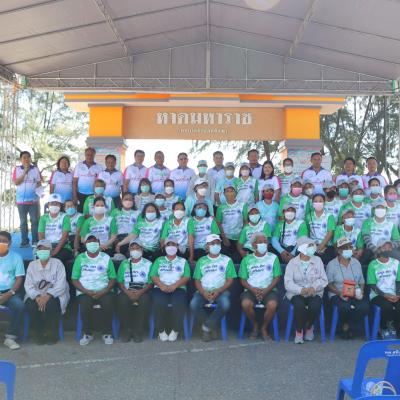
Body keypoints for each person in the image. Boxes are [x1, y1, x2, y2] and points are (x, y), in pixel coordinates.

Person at [72, 234, 117, 345]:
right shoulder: (80, 258)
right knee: (85, 305)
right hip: (85, 291)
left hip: (104, 290)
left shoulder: (106, 257)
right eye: (89, 241)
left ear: (99, 242)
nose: (92, 243)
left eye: (94, 241)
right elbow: (74, 279)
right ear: (85, 244)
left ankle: (107, 333)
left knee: (108, 303)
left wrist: (104, 291)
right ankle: (87, 333)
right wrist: (86, 291)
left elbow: (113, 278)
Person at [190, 234, 236, 341]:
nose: (215, 245)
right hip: (203, 291)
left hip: (221, 291)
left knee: (225, 304)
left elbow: (230, 280)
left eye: (217, 243)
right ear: (207, 246)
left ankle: (206, 327)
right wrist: (203, 292)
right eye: (212, 243)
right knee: (193, 304)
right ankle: (212, 326)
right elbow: (197, 280)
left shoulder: (227, 260)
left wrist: (218, 291)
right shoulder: (201, 261)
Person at [24, 239, 70, 344]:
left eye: (45, 249)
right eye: (40, 249)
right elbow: (28, 285)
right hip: (37, 294)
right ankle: (38, 333)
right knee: (31, 305)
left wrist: (48, 296)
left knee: (51, 304)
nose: (42, 251)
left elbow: (61, 284)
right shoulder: (32, 265)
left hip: (55, 294)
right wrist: (37, 297)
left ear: (50, 251)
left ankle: (52, 334)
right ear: (37, 251)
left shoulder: (58, 263)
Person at [284, 237, 328, 344]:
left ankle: (309, 327)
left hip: (314, 292)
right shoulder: (292, 263)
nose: (313, 248)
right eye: (310, 246)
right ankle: (299, 331)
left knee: (315, 306)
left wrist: (314, 287)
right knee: (299, 305)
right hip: (296, 293)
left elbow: (324, 280)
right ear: (302, 248)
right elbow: (288, 283)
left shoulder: (318, 261)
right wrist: (301, 290)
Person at [239, 232, 281, 340]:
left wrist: (266, 290)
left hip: (269, 289)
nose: (263, 244)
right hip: (251, 290)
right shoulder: (246, 259)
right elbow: (243, 280)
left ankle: (263, 328)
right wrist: (253, 289)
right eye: (260, 242)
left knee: (272, 305)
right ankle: (255, 325)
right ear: (254, 245)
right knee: (246, 304)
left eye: (265, 242)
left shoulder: (273, 258)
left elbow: (277, 277)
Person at [326, 237, 368, 339]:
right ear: (339, 251)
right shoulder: (332, 264)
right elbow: (328, 284)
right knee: (344, 307)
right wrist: (339, 293)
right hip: (338, 293)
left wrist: (361, 291)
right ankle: (345, 326)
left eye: (350, 247)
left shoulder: (356, 263)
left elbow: (362, 281)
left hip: (355, 292)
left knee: (364, 307)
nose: (350, 249)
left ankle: (347, 325)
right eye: (346, 248)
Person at [150, 237, 190, 341]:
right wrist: (161, 285)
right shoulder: (159, 260)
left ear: (177, 247)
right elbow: (153, 275)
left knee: (179, 303)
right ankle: (161, 330)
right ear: (164, 247)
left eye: (173, 244)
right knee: (159, 303)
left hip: (178, 288)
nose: (171, 247)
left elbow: (186, 276)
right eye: (168, 245)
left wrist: (174, 286)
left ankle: (175, 330)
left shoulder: (183, 261)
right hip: (160, 288)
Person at [116, 239, 153, 342]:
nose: (135, 250)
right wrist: (128, 292)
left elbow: (151, 282)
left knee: (144, 301)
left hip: (143, 291)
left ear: (142, 250)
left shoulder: (148, 264)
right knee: (121, 301)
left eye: (137, 248)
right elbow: (120, 281)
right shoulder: (124, 263)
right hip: (127, 290)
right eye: (132, 248)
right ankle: (127, 330)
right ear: (129, 250)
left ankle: (138, 331)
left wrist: (140, 292)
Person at [367, 239, 400, 339]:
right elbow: (372, 285)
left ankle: (395, 328)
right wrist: (385, 295)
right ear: (379, 249)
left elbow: (398, 281)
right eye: (384, 248)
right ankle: (384, 327)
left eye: (389, 247)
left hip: (394, 294)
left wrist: (398, 294)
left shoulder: (396, 263)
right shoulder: (373, 264)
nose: (387, 250)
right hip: (377, 295)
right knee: (387, 307)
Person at [0, 231, 25, 350]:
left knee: (19, 306)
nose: (1, 243)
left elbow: (19, 278)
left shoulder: (16, 257)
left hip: (10, 292)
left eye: (4, 241)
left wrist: (9, 293)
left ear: (9, 243)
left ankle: (10, 337)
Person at [12, 150, 42, 247]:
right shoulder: (17, 169)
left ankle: (35, 241)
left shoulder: (35, 169)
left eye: (28, 157)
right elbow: (16, 182)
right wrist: (24, 171)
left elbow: (38, 183)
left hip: (34, 201)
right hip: (21, 201)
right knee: (23, 222)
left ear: (30, 158)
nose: (26, 159)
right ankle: (24, 241)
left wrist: (40, 194)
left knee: (35, 221)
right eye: (24, 157)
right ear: (21, 159)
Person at [361, 198, 400, 264]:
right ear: (373, 210)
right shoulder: (367, 222)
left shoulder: (391, 224)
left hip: (387, 251)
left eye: (382, 208)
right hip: (371, 250)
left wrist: (390, 246)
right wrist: (375, 249)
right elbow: (366, 238)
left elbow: (398, 241)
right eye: (378, 207)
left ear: (386, 210)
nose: (380, 209)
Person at [216, 184, 248, 262]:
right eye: (227, 191)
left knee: (237, 260)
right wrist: (224, 238)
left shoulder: (242, 205)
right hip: (225, 238)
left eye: (231, 191)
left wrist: (241, 238)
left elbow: (245, 222)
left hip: (239, 238)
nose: (229, 193)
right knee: (223, 260)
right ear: (224, 194)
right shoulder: (221, 207)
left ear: (235, 193)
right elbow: (218, 224)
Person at [38, 193, 72, 264]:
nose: (54, 206)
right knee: (39, 257)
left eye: (57, 204)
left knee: (57, 258)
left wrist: (55, 251)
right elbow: (41, 235)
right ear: (48, 205)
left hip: (62, 246)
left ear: (60, 205)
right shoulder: (43, 218)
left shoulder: (65, 217)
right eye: (52, 203)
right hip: (46, 246)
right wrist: (46, 249)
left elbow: (64, 237)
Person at [306, 193, 336, 264]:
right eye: (315, 201)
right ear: (312, 203)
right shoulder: (308, 216)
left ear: (324, 202)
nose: (318, 203)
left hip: (326, 246)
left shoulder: (329, 216)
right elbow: (308, 232)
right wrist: (314, 247)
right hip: (312, 245)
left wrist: (320, 247)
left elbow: (330, 233)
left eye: (320, 201)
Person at [72, 147, 103, 213]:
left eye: (91, 155)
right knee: (80, 213)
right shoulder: (79, 166)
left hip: (93, 195)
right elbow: (74, 182)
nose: (89, 156)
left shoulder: (99, 167)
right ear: (85, 155)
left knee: (92, 213)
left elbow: (100, 183)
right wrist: (74, 196)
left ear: (94, 155)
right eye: (87, 155)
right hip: (80, 194)